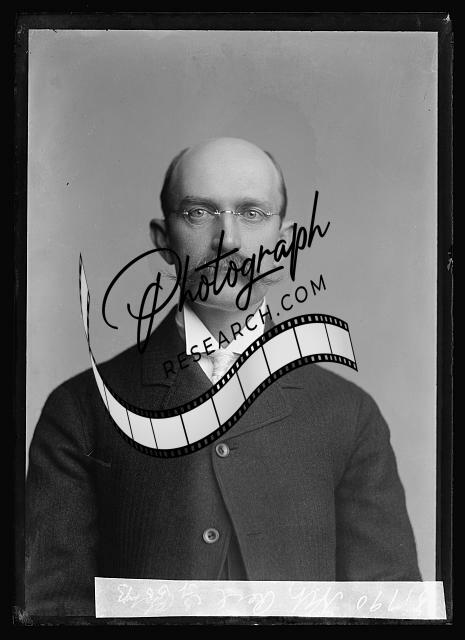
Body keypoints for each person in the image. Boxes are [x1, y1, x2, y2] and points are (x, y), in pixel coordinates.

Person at [26, 137, 421, 617]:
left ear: (283, 241)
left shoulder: (348, 413)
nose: (227, 240)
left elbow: (390, 609)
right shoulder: (82, 408)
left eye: (252, 213)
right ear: (163, 239)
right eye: (199, 213)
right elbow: (51, 610)